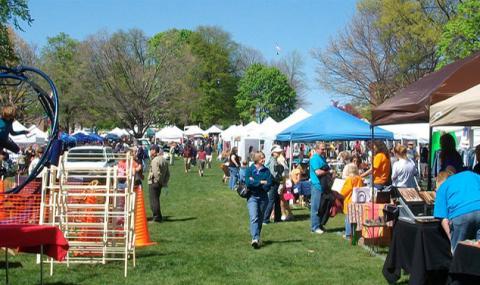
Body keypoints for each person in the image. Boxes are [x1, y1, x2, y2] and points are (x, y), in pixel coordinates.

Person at [434, 170, 480, 252]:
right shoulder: (470, 174)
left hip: (460, 215)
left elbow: (443, 218)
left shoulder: (443, 187)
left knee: (459, 253)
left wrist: (452, 239)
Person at [245, 151, 272, 249]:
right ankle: (255, 238)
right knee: (254, 217)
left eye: (264, 158)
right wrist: (261, 182)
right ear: (256, 160)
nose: (264, 160)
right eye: (262, 158)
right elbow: (248, 183)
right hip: (252, 197)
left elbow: (268, 184)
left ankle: (257, 236)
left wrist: (255, 183)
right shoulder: (249, 170)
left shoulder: (267, 171)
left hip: (264, 198)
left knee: (260, 219)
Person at [309, 142, 330, 234]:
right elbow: (318, 172)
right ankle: (315, 227)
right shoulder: (314, 159)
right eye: (322, 149)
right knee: (316, 207)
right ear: (317, 149)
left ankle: (320, 225)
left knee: (322, 207)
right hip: (316, 185)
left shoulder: (322, 158)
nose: (324, 151)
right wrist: (328, 172)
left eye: (324, 149)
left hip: (323, 186)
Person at [340, 164, 364, 239]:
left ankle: (348, 234)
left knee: (348, 219)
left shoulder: (349, 179)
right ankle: (355, 234)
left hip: (349, 201)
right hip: (357, 201)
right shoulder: (359, 178)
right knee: (355, 219)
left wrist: (339, 193)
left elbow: (345, 191)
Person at [148, 145, 170, 223]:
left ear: (154, 150)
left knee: (153, 201)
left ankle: (156, 217)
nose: (150, 151)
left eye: (151, 150)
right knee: (156, 199)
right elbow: (168, 174)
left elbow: (156, 173)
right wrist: (164, 182)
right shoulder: (164, 160)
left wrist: (158, 180)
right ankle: (159, 216)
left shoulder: (155, 160)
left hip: (154, 182)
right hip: (160, 183)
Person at [263, 145, 284, 224]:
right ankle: (265, 219)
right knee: (271, 201)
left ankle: (277, 218)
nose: (279, 153)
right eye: (277, 152)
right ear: (273, 153)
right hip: (272, 183)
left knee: (276, 200)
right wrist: (279, 178)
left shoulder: (274, 159)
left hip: (274, 182)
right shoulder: (273, 160)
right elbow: (273, 173)